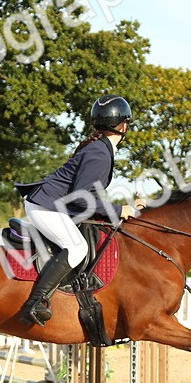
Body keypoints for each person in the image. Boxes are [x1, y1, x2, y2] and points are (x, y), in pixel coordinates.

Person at [14, 94, 131, 326]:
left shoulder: (99, 148)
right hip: (45, 207)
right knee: (77, 248)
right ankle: (35, 303)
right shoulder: (100, 152)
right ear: (124, 125)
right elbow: (82, 197)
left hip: (51, 205)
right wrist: (118, 209)